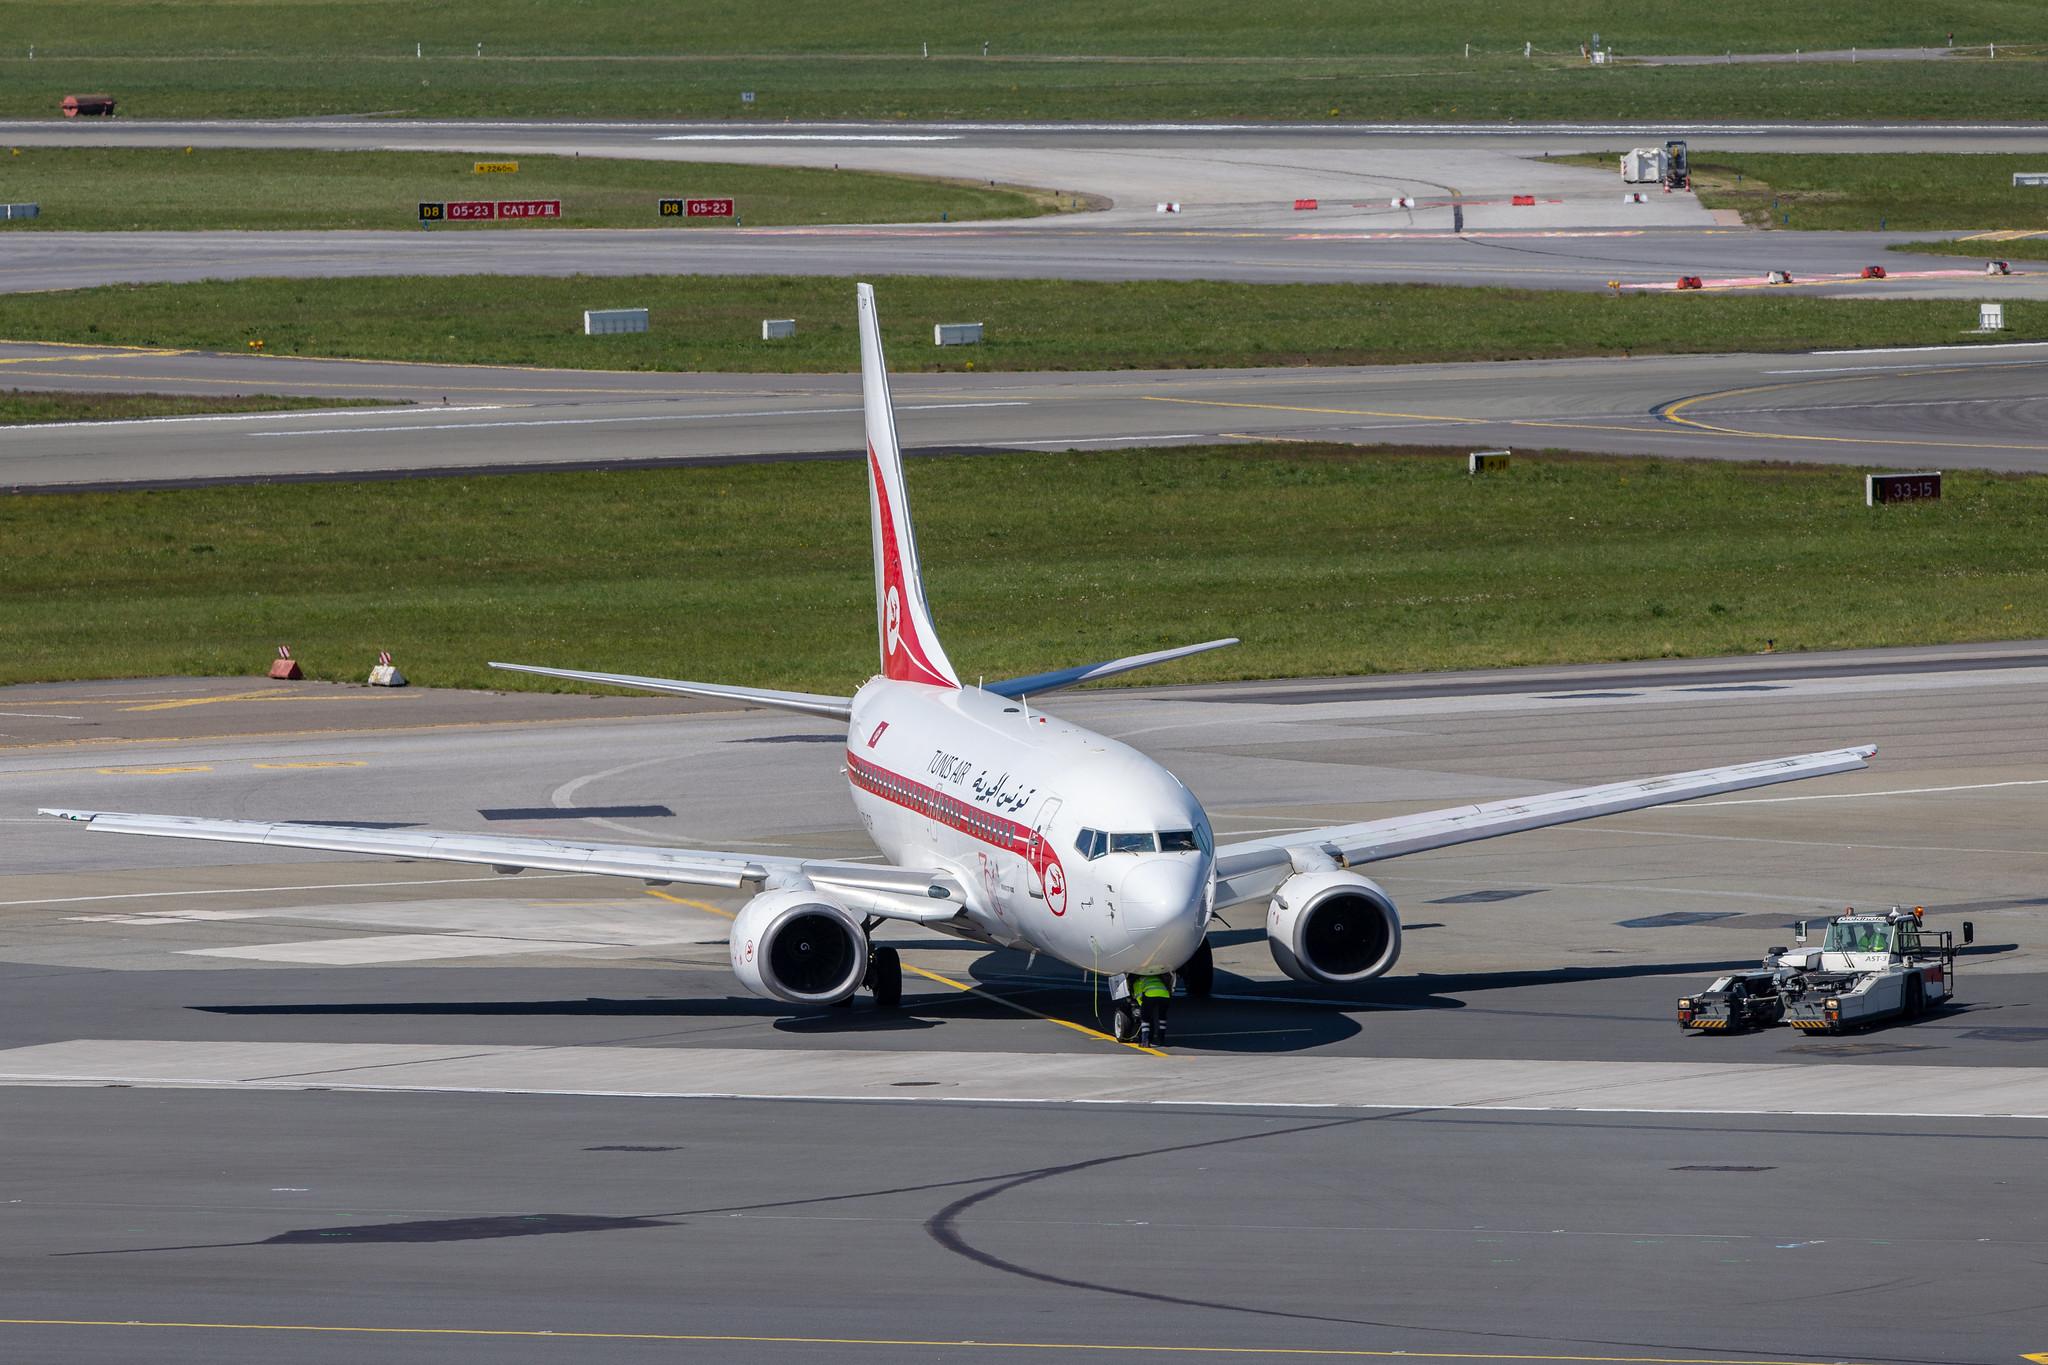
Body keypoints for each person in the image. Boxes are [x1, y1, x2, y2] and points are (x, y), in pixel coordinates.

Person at [1131, 970, 1174, 1047]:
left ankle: (1145, 1041)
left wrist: (1142, 1008)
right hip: (1165, 995)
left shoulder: (1138, 981)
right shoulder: (1157, 978)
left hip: (1150, 995)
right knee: (1162, 1018)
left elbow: (1138, 996)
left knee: (1145, 1019)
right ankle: (1161, 1040)